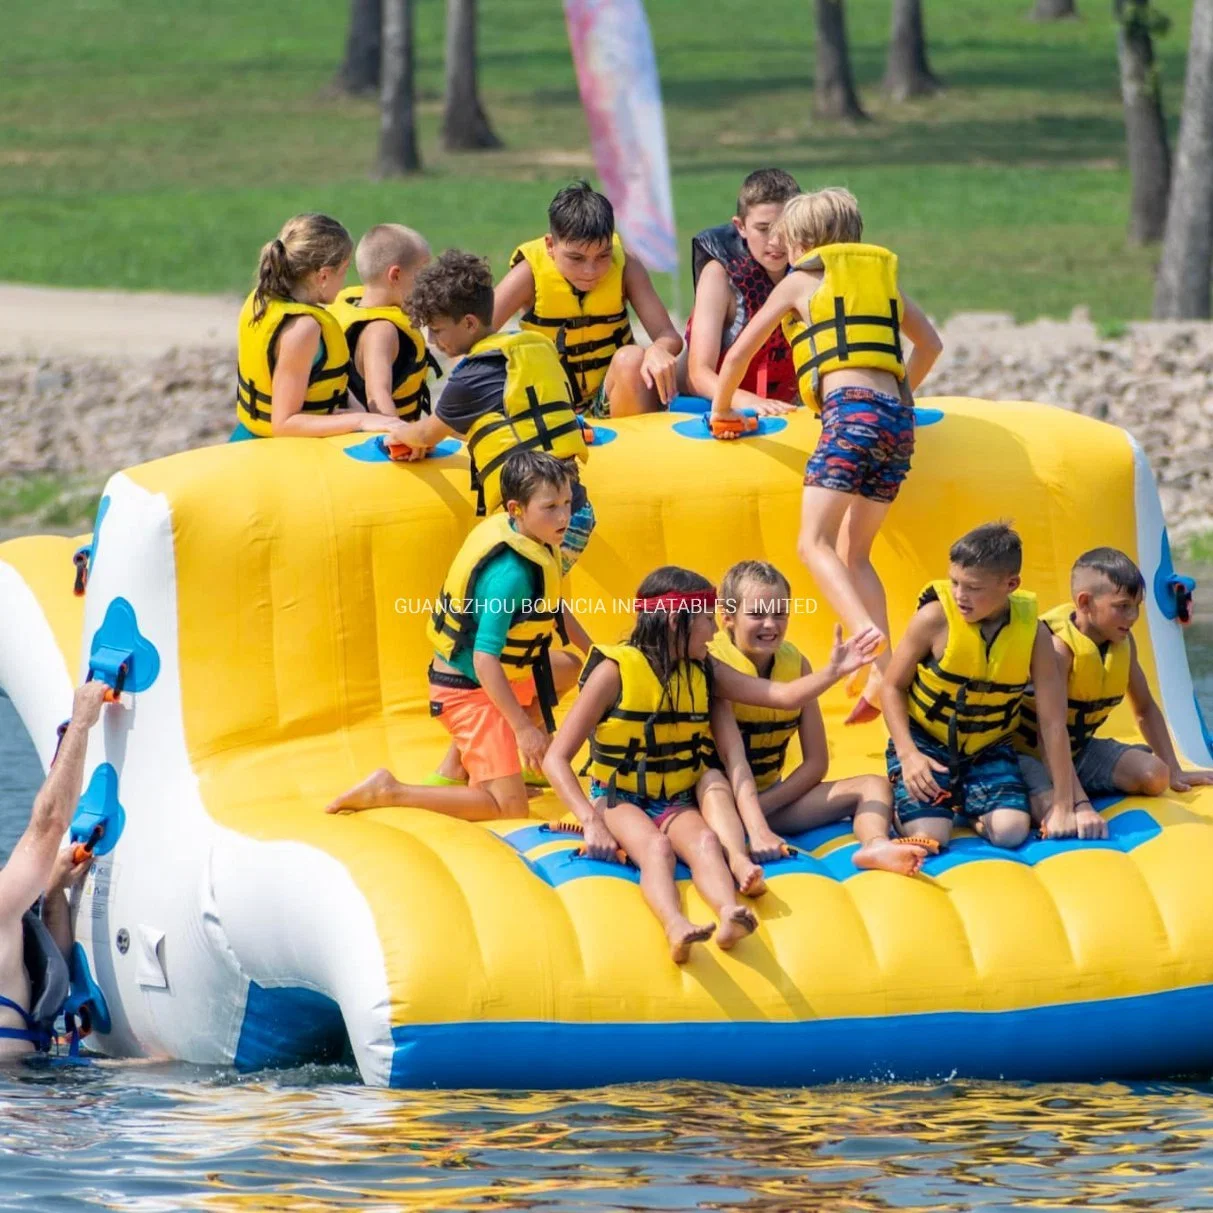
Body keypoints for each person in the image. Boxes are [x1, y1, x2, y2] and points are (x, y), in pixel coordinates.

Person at [542, 566, 882, 963]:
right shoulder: (613, 673)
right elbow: (556, 759)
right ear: (675, 621)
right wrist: (589, 819)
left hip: (673, 799)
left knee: (705, 843)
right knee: (656, 850)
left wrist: (833, 672)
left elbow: (783, 695)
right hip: (618, 798)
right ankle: (675, 925)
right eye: (706, 619)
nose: (712, 631)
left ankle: (727, 914)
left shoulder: (704, 669)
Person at [709, 188, 944, 725]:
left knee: (812, 543)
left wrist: (722, 411)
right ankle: (884, 672)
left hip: (850, 418)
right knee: (853, 552)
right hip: (897, 422)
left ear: (804, 244)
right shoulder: (882, 282)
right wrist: (899, 391)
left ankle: (873, 655)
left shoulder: (801, 280)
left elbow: (738, 353)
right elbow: (931, 345)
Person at [327, 452, 591, 822]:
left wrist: (596, 652)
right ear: (516, 508)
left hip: (493, 678)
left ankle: (458, 771)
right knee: (509, 808)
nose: (564, 516)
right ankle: (389, 790)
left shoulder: (534, 536)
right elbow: (484, 661)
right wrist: (523, 730)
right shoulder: (509, 576)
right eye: (550, 507)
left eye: (566, 502)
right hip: (466, 691)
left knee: (570, 667)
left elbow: (553, 605)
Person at [701, 560, 929, 888]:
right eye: (757, 614)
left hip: (769, 801)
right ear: (728, 617)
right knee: (713, 782)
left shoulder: (797, 664)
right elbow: (737, 750)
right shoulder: (713, 664)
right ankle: (738, 856)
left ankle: (875, 845)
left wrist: (765, 806)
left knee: (873, 786)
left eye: (780, 613)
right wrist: (746, 813)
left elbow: (816, 762)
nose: (770, 624)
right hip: (716, 806)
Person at [387, 250, 596, 573]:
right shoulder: (527, 350)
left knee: (510, 597)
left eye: (438, 330)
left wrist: (396, 431)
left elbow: (425, 434)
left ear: (469, 323)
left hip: (540, 517)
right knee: (541, 592)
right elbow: (506, 421)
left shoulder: (472, 376)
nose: (432, 340)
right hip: (576, 510)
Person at [881, 523, 1076, 851]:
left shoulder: (1034, 635)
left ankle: (964, 803)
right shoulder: (934, 619)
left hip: (989, 747)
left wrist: (1064, 806)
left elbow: (1053, 720)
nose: (959, 595)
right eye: (955, 582)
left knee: (1011, 833)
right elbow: (891, 687)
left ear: (1010, 584)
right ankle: (903, 787)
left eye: (972, 587)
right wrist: (908, 754)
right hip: (925, 742)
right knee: (931, 836)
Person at [1016, 547, 1213, 830]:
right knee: (1049, 815)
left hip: (1077, 750)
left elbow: (1144, 707)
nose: (1132, 616)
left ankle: (1084, 780)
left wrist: (1175, 768)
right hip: (1030, 753)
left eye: (1137, 606)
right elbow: (1051, 731)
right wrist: (1079, 804)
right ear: (1085, 602)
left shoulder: (1122, 643)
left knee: (1156, 775)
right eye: (1122, 606)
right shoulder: (1058, 648)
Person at [494, 181, 683, 418]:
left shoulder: (626, 267)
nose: (590, 271)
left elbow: (669, 336)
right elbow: (475, 337)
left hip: (609, 400)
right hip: (549, 408)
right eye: (576, 258)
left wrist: (659, 349)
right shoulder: (527, 275)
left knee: (632, 359)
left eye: (603, 255)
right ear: (550, 245)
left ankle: (629, 448)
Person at [0, 681, 109, 1058]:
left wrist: (54, 895)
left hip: (29, 1088)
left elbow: (41, 974)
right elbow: (49, 823)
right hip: (31, 1104)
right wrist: (80, 723)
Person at [233, 213, 398, 440]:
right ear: (323, 276)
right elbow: (285, 423)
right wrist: (360, 420)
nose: (345, 281)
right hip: (274, 450)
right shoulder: (303, 329)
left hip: (249, 433)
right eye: (344, 270)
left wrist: (370, 416)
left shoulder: (263, 298)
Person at [681, 168, 802, 413]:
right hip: (712, 407)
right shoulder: (719, 277)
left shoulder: (807, 274)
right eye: (764, 228)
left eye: (785, 228)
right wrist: (748, 402)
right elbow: (698, 375)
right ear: (741, 227)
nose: (776, 241)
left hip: (784, 410)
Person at [327, 223, 438, 422]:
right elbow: (377, 397)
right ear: (395, 275)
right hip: (377, 444)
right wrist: (400, 438)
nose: (428, 285)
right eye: (423, 274)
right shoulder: (381, 330)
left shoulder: (354, 303)